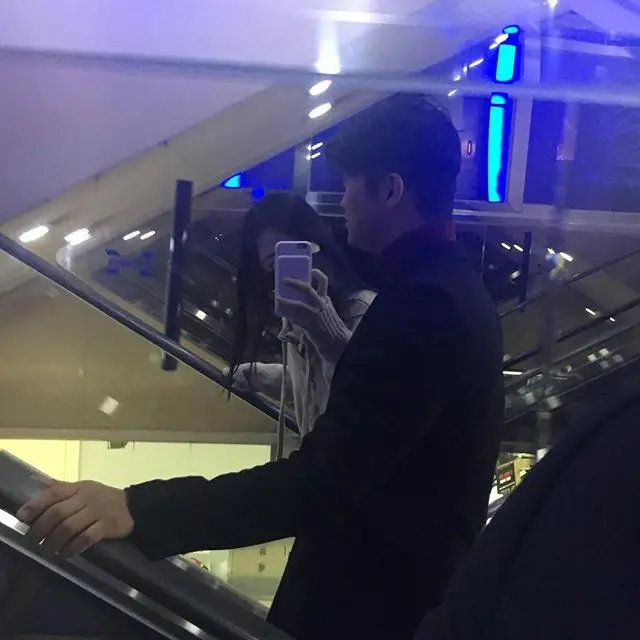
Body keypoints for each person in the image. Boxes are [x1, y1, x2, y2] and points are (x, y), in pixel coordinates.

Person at [17, 93, 504, 640]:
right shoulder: (450, 292)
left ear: (391, 190)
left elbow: (322, 482)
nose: (343, 199)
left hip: (366, 613)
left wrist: (142, 509)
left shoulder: (424, 305)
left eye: (350, 182)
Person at [226, 192, 375, 438]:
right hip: (321, 455)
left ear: (319, 248)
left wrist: (328, 332)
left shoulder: (362, 309)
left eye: (298, 258)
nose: (287, 276)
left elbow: (371, 394)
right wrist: (259, 375)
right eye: (272, 266)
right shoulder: (294, 321)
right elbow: (310, 383)